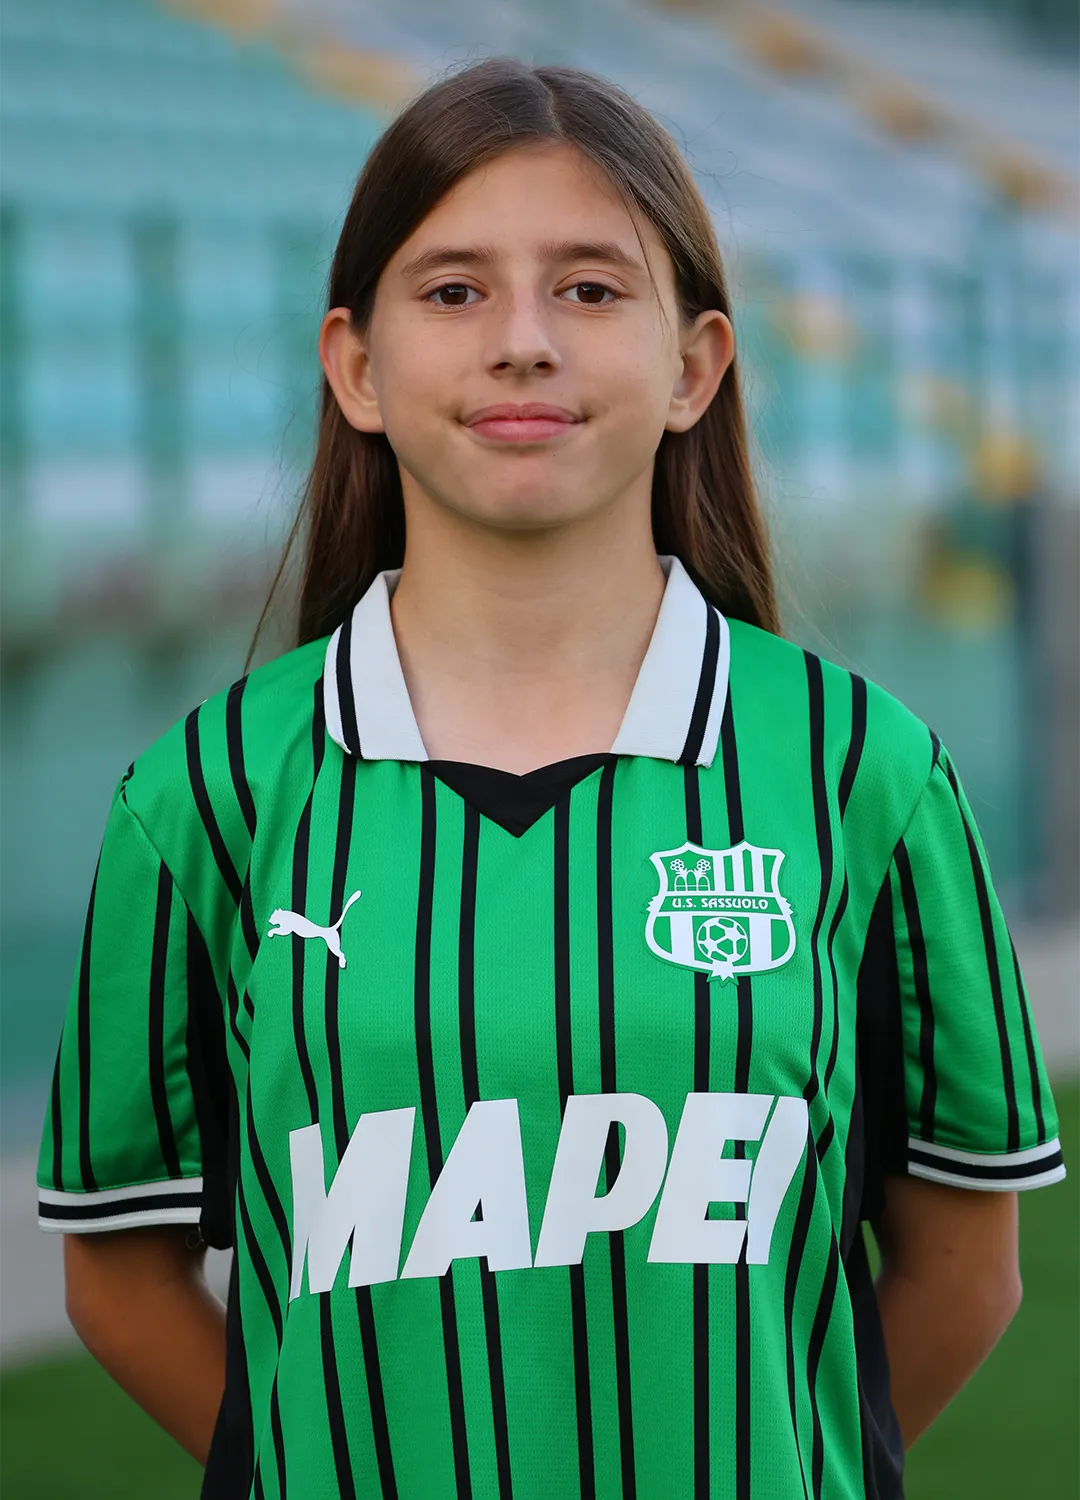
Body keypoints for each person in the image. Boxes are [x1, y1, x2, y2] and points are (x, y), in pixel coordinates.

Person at [38, 54, 1065, 1500]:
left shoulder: (863, 770)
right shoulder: (204, 796)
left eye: (588, 288)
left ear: (695, 365)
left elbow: (965, 1269)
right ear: (358, 367)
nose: (523, 343)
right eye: (454, 291)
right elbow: (119, 1276)